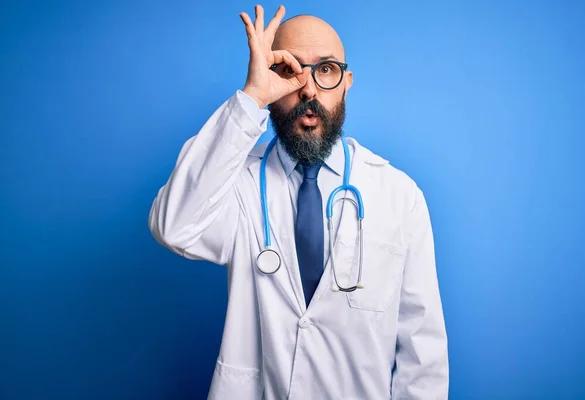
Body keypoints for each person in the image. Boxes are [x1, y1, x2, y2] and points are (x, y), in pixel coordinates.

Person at [148, 4, 448, 399]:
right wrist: (251, 98)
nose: (308, 89)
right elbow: (175, 227)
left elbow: (421, 353)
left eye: (326, 70)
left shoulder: (399, 195)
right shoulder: (237, 181)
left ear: (347, 82)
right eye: (289, 70)